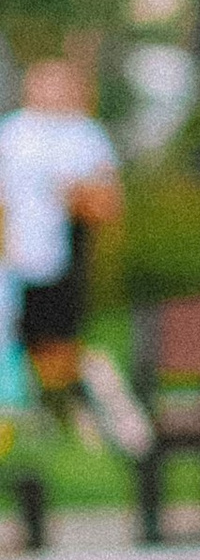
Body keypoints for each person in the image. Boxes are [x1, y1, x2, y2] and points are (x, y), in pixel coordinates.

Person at [0, 56, 122, 423]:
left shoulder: (86, 136)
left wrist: (72, 195)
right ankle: (29, 414)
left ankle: (66, 414)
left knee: (56, 349)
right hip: (12, 261)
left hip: (63, 258)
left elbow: (108, 204)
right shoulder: (12, 133)